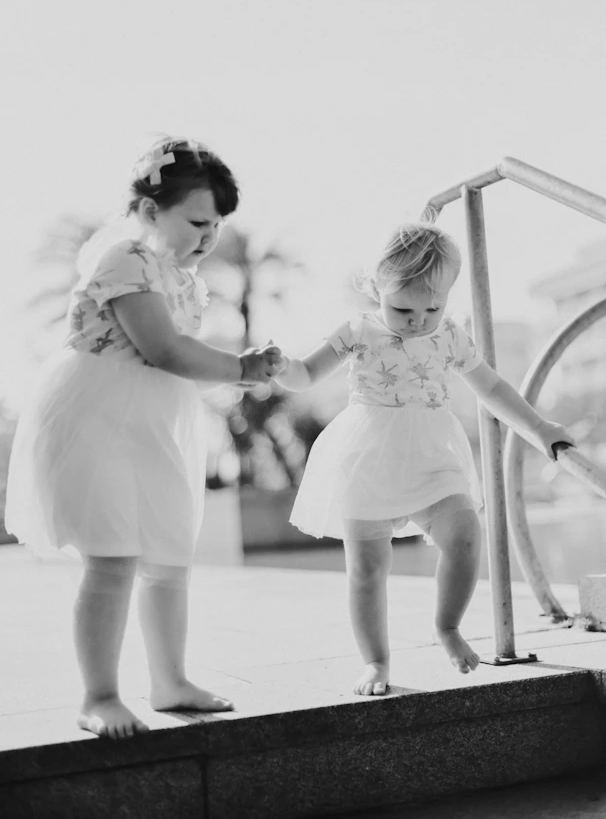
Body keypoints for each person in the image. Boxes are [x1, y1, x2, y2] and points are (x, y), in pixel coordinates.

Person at [5, 137, 281, 738]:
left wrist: (246, 375)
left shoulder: (177, 274)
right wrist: (241, 368)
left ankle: (170, 679)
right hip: (97, 419)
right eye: (199, 221)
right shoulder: (123, 257)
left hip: (153, 425)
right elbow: (163, 349)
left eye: (218, 226)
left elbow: (178, 361)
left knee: (167, 558)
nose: (209, 238)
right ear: (152, 210)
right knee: (111, 559)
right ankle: (99, 694)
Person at [275, 220, 574, 697]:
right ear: (376, 289)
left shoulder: (450, 336)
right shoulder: (356, 331)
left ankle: (447, 626)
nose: (418, 320)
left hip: (433, 456)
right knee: (368, 568)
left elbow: (492, 388)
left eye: (433, 307)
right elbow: (306, 372)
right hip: (368, 459)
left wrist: (539, 428)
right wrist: (280, 367)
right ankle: (376, 660)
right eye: (403, 308)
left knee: (465, 534)